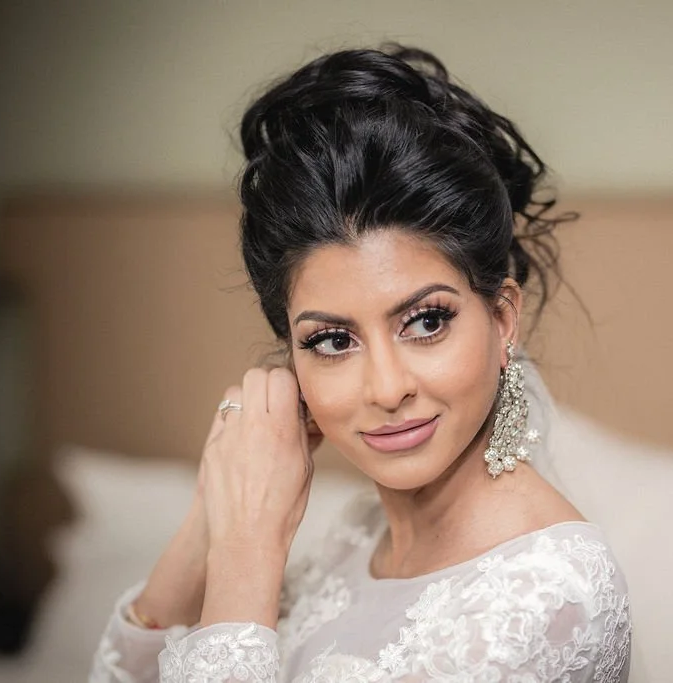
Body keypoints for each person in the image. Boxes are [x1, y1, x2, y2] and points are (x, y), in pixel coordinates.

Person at [90, 45, 632, 683]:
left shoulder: (551, 593)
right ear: (293, 359)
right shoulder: (353, 539)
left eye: (427, 322)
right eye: (332, 342)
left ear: (503, 318)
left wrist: (247, 554)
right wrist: (214, 513)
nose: (386, 387)